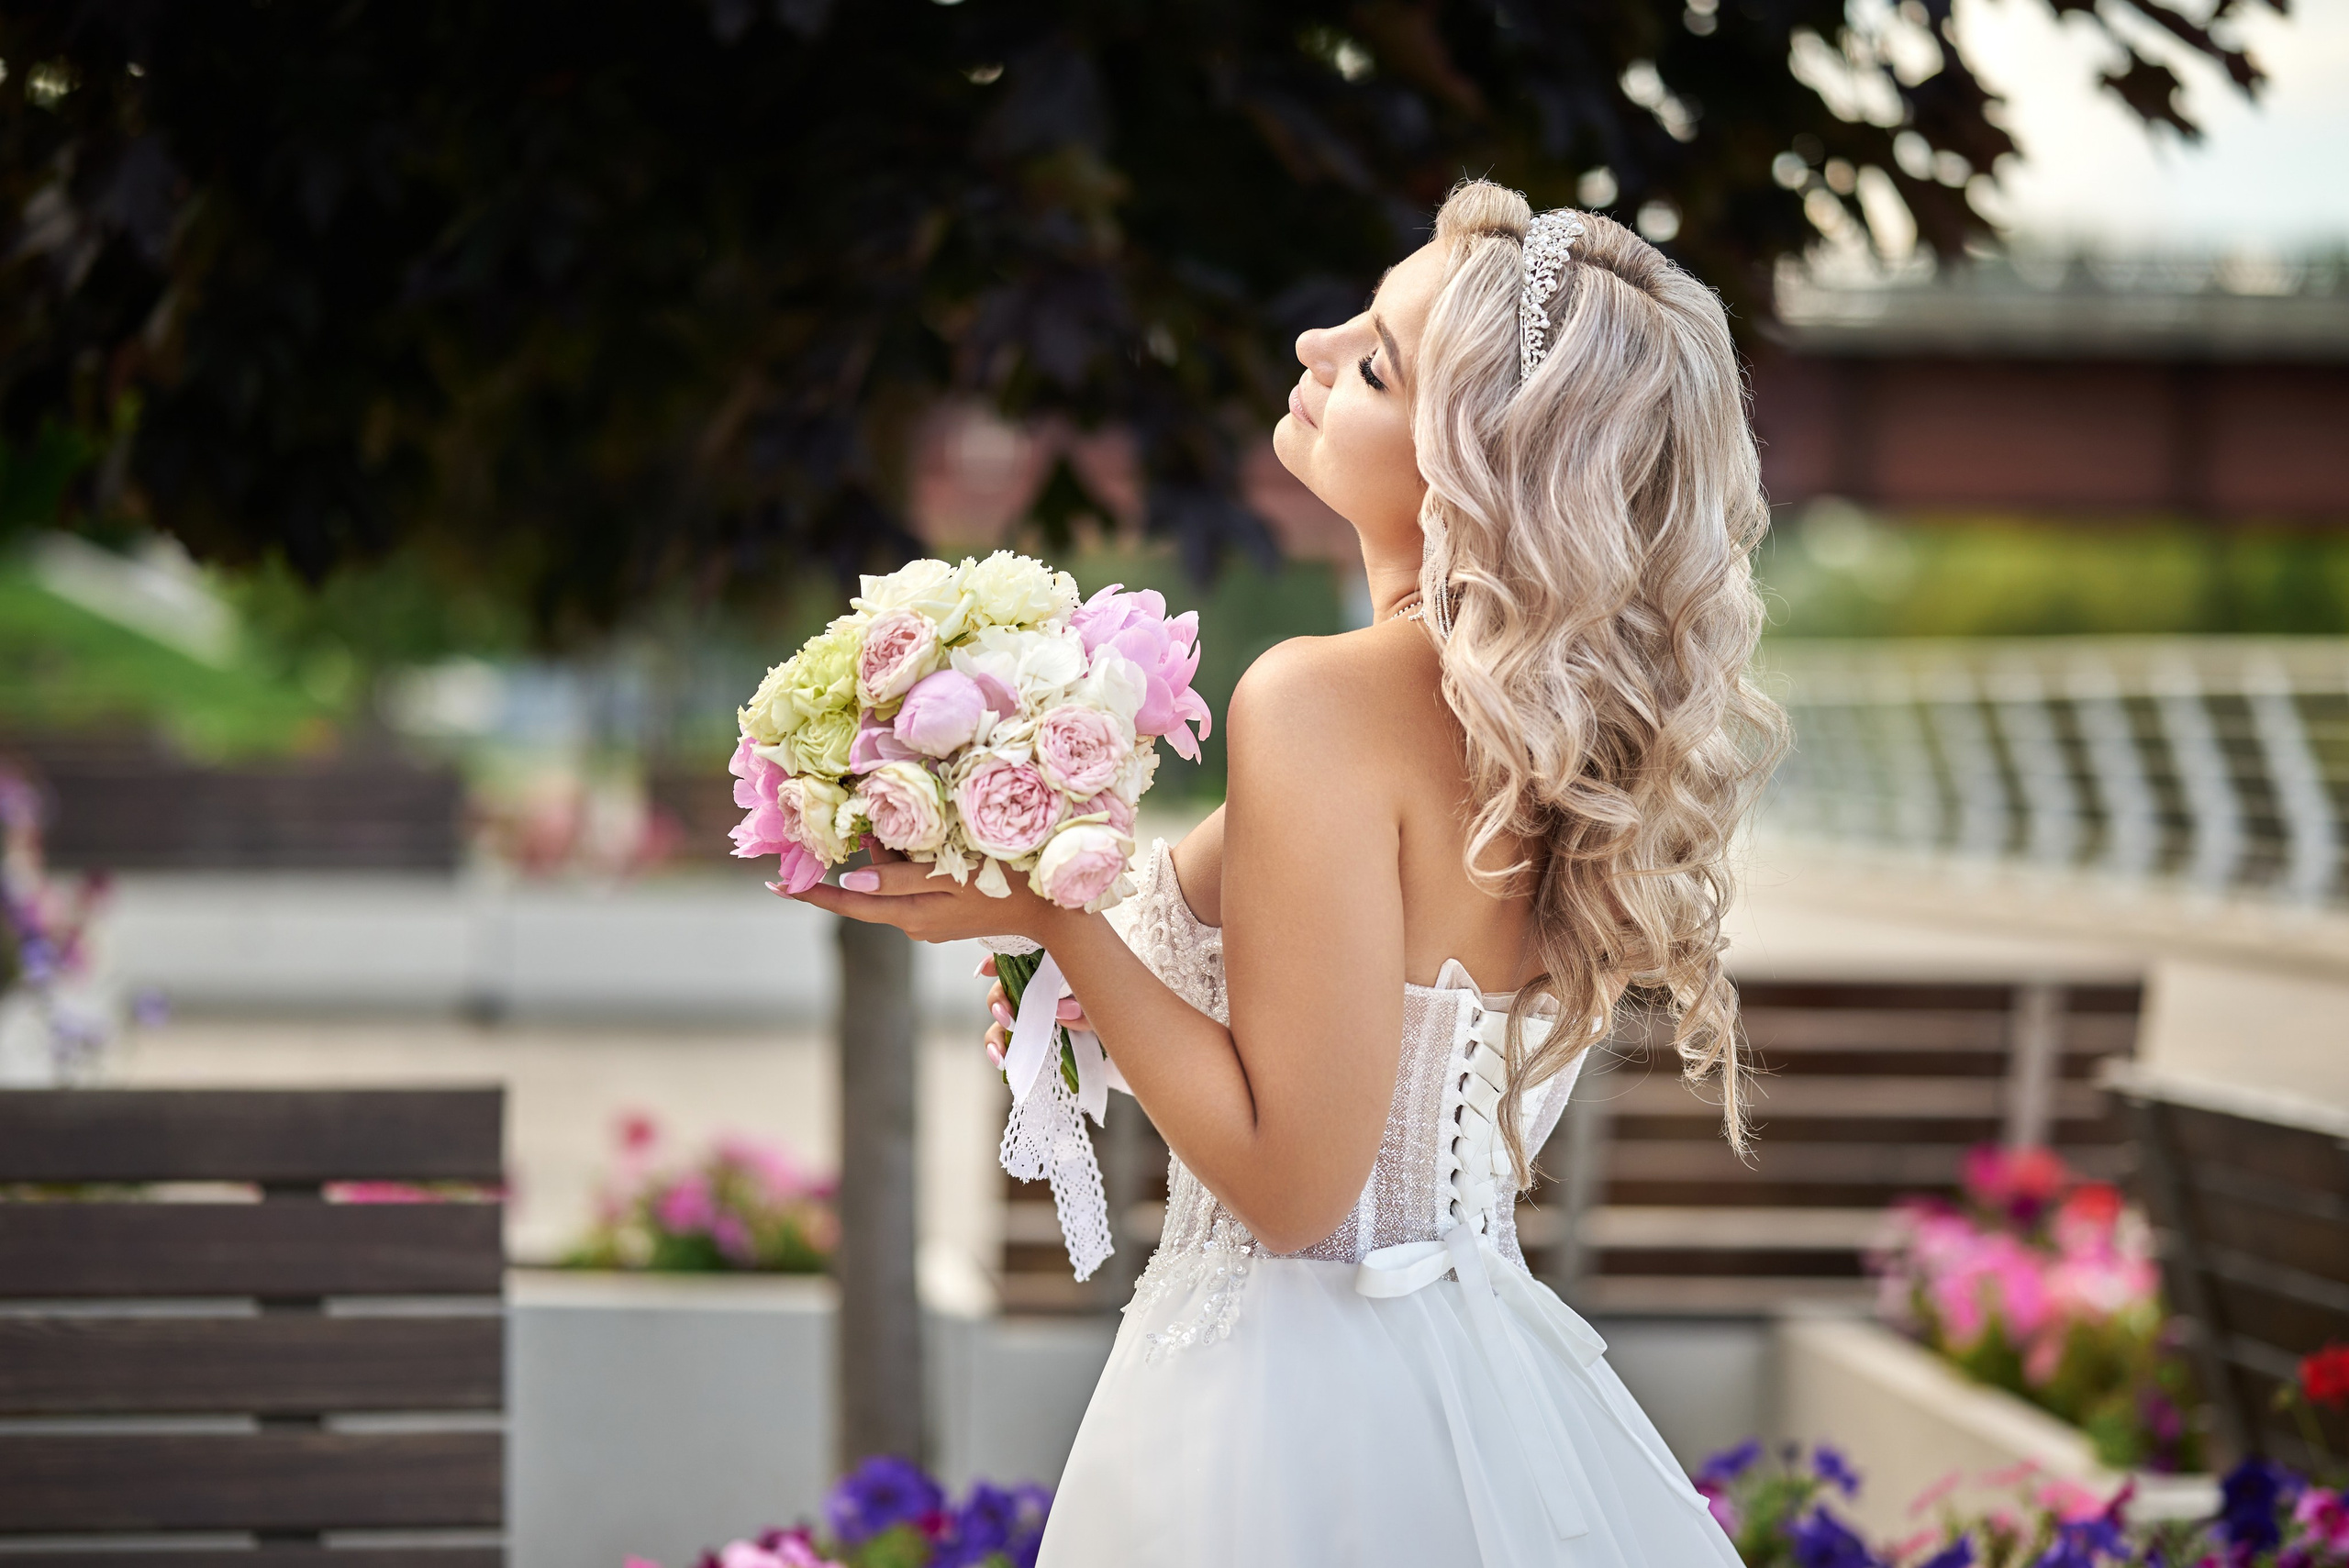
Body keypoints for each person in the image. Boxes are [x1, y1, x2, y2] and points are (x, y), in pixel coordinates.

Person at [786, 178, 1785, 1567]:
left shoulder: (1321, 700)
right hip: (1484, 1397)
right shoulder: (1546, 747)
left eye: (1375, 360)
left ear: (1476, 463)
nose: (1314, 347)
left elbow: (1298, 1185)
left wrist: (1055, 924)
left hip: (1291, 1414)